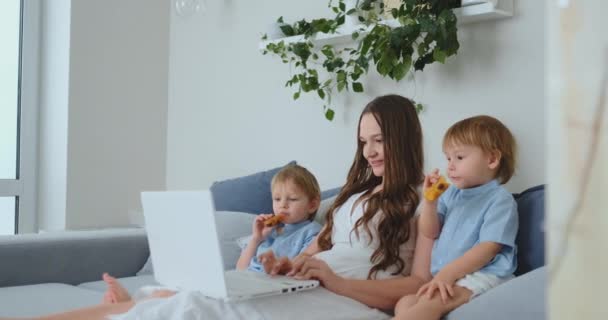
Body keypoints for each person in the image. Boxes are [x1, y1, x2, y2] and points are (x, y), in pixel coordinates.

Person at [16, 94, 434, 320]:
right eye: (363, 141)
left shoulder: (424, 197)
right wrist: (286, 266)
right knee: (190, 297)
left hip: (347, 300)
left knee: (193, 308)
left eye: (378, 139)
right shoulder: (355, 195)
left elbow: (417, 285)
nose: (370, 151)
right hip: (308, 285)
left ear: (403, 136)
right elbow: (316, 253)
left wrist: (332, 281)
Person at [101, 163, 323, 304]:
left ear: (313, 205)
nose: (282, 206)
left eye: (292, 200)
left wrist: (277, 266)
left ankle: (132, 306)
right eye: (277, 200)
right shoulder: (269, 232)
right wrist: (256, 239)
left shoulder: (311, 233)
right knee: (179, 291)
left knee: (192, 300)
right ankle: (134, 303)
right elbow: (241, 268)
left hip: (268, 288)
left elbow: (298, 271)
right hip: (243, 280)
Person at [393, 115, 519, 320]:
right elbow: (429, 231)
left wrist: (447, 275)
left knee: (430, 304)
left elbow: (488, 249)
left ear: (492, 159)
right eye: (448, 158)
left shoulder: (500, 200)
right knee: (405, 301)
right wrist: (430, 202)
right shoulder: (451, 194)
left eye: (459, 157)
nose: (450, 165)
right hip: (448, 278)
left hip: (482, 276)